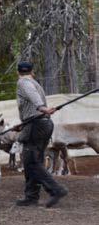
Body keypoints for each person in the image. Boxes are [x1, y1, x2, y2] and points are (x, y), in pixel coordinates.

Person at [15, 61, 68, 207]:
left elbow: (32, 98)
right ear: (33, 72)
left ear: (18, 72)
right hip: (40, 124)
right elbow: (30, 104)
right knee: (32, 161)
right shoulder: (34, 82)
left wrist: (42, 108)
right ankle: (31, 197)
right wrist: (23, 124)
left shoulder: (23, 82)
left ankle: (56, 190)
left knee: (31, 161)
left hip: (36, 124)